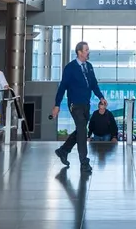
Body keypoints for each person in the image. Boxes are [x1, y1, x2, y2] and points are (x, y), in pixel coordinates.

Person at [52, 41, 106, 173]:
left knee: (81, 130)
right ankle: (84, 162)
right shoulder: (70, 68)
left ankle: (63, 150)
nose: (88, 52)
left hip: (85, 104)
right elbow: (62, 87)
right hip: (74, 105)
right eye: (86, 50)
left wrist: (101, 97)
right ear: (79, 52)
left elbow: (94, 84)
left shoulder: (89, 66)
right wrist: (57, 105)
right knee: (82, 129)